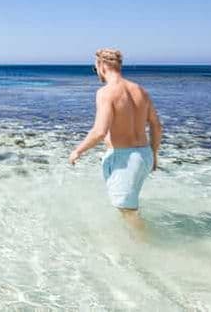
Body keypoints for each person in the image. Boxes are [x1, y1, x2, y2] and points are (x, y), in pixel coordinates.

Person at [68, 48, 163, 229]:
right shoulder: (140, 91)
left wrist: (77, 151)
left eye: (96, 67)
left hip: (124, 159)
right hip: (144, 155)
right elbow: (156, 126)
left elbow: (99, 132)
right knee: (129, 209)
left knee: (128, 214)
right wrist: (154, 155)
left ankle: (146, 251)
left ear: (101, 65)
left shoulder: (106, 92)